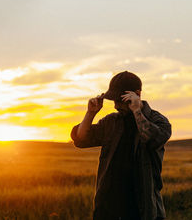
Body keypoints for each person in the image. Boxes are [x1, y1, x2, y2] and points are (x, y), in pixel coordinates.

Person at [70, 71, 171, 220]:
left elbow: (150, 138)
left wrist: (137, 110)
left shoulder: (159, 121)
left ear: (136, 94)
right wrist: (90, 113)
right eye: (114, 100)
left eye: (120, 100)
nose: (116, 105)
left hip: (142, 209)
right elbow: (81, 139)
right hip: (108, 209)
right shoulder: (111, 122)